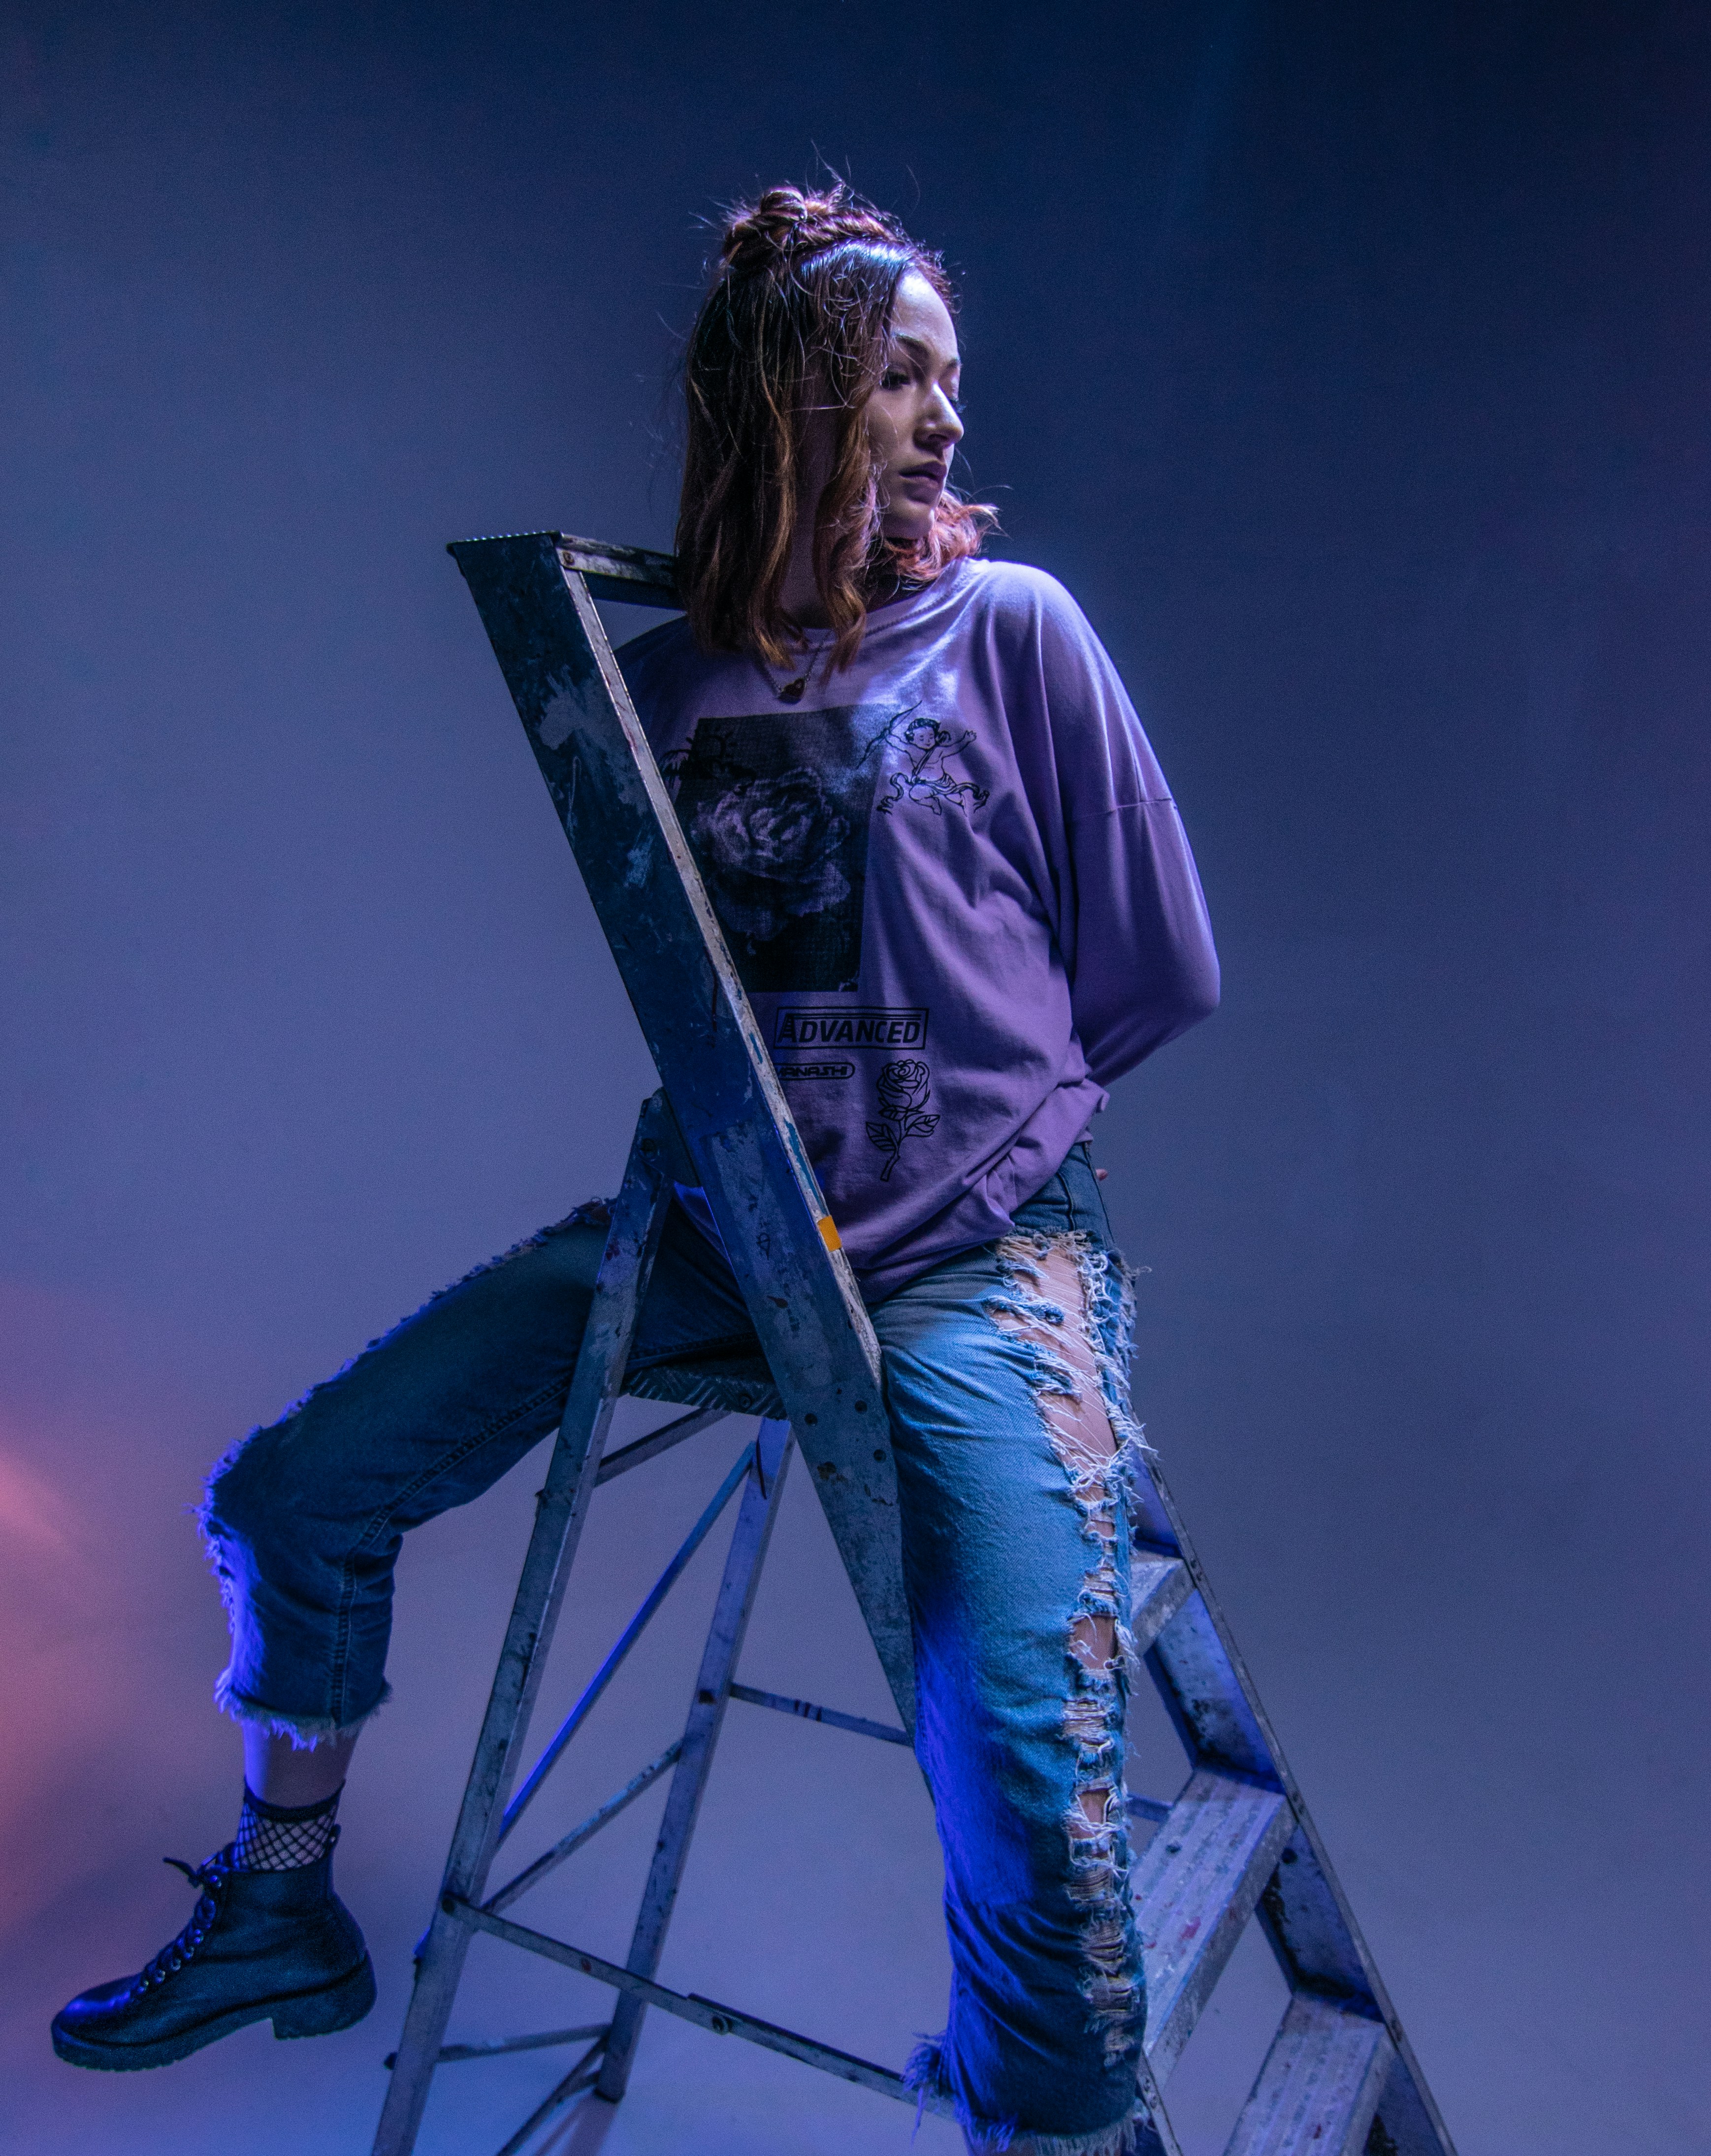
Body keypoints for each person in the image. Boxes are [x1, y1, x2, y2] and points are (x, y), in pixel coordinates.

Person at [52, 183, 1219, 2156]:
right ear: (793, 400)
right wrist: (787, 1205)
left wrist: (945, 1177)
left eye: (955, 381)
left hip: (973, 1262)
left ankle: (1051, 2122)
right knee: (293, 1492)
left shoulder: (1016, 631)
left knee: (1027, 1773)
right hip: (720, 1240)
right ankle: (279, 1910)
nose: (945, 422)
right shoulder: (667, 681)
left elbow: (1155, 973)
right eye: (900, 379)